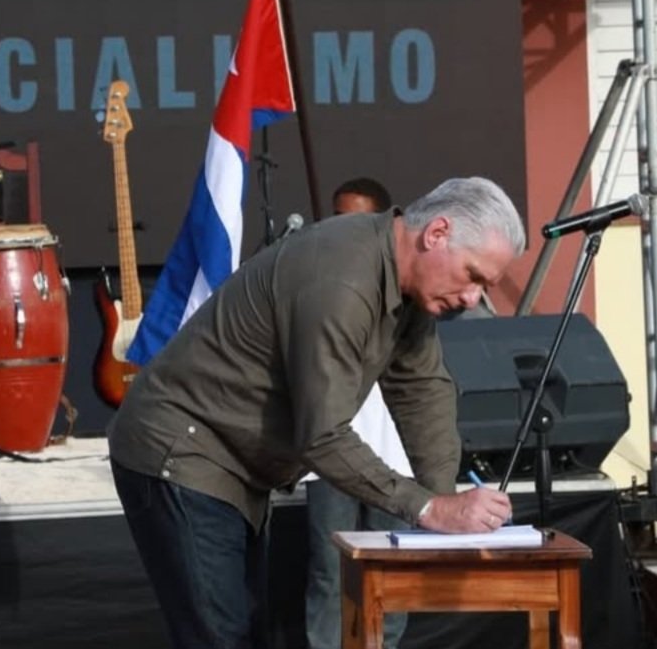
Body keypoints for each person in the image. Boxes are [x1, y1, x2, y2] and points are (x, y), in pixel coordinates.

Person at [108, 175, 526, 649]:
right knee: (222, 639)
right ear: (436, 234)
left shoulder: (406, 285)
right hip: (181, 450)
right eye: (473, 276)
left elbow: (422, 391)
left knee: (246, 635)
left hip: (235, 464)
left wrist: (446, 505)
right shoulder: (343, 278)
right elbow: (323, 436)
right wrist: (431, 508)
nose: (473, 299)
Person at [303, 176, 412, 649]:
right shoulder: (317, 282)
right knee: (330, 573)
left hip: (394, 458)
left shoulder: (406, 287)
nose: (343, 231)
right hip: (333, 454)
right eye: (336, 220)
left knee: (392, 574)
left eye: (355, 221)